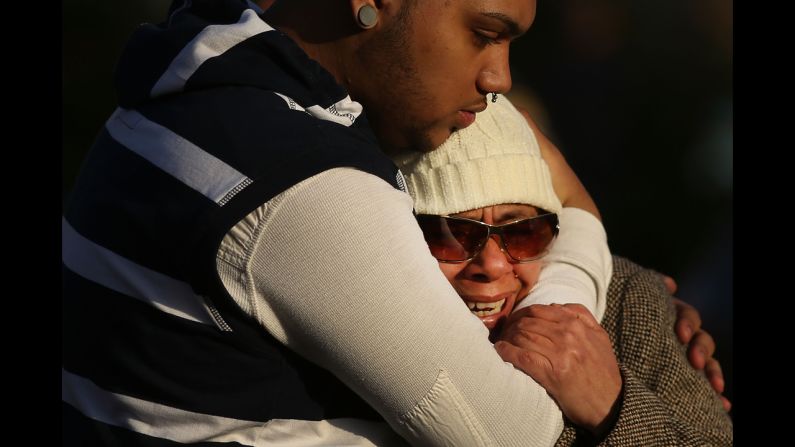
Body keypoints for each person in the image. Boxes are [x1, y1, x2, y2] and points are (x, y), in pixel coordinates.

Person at [62, 1, 726, 445]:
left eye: (524, 230)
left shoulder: (199, 90)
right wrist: (581, 272)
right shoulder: (298, 181)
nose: (497, 76)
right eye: (483, 34)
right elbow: (514, 434)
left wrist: (627, 303)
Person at [395, 95, 732, 445]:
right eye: (453, 234)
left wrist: (613, 407)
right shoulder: (353, 318)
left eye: (522, 232)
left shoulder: (630, 307)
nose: (492, 265)